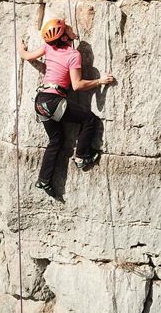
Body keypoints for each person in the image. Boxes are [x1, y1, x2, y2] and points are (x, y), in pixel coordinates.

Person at [18, 18, 114, 197]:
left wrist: (20, 46)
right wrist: (100, 81)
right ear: (63, 38)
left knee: (56, 140)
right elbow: (77, 85)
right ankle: (82, 156)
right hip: (54, 101)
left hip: (41, 102)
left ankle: (44, 180)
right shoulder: (73, 55)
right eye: (67, 29)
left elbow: (27, 56)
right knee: (89, 119)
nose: (70, 28)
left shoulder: (48, 48)